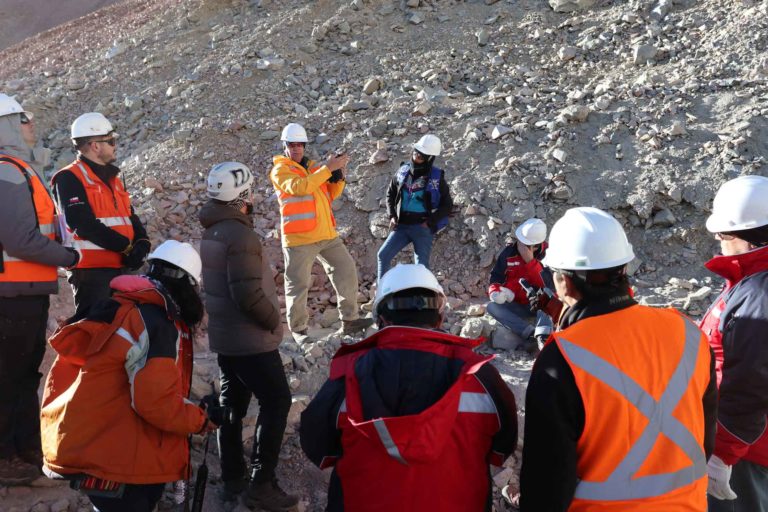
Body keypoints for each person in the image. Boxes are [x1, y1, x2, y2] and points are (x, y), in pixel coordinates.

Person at [520, 207, 717, 511]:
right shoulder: (688, 333)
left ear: (562, 282)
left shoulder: (562, 358)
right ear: (623, 269)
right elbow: (705, 442)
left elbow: (547, 484)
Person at [300, 263, 518, 511]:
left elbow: (318, 445)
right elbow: (502, 446)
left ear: (381, 318)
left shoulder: (348, 374)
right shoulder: (479, 376)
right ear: (440, 317)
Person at [40, 240, 217, 512]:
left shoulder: (119, 307)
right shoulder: (154, 322)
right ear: (188, 285)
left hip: (93, 443)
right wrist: (200, 420)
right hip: (118, 463)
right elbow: (155, 403)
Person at [199, 162, 298, 511]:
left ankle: (231, 479)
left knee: (232, 406)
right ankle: (260, 485)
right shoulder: (240, 235)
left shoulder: (212, 231)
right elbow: (247, 294)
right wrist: (273, 321)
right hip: (251, 340)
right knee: (277, 401)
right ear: (241, 195)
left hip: (226, 338)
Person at [0, 93, 79, 485]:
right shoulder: (7, 172)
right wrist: (69, 257)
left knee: (23, 373)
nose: (32, 123)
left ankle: (25, 445)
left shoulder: (19, 169)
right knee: (8, 376)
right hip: (9, 296)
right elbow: (19, 241)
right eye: (23, 118)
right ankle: (5, 456)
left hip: (24, 292)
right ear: (7, 125)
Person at [699, 175, 768, 511]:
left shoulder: (759, 293)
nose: (718, 239)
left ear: (749, 239)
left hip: (746, 451)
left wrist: (722, 454)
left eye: (724, 233)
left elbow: (751, 383)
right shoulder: (752, 281)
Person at [270, 122, 371, 342]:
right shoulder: (281, 170)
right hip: (299, 238)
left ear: (305, 146)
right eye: (291, 144)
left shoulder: (315, 167)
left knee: (346, 270)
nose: (296, 148)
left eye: (299, 144)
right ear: (284, 146)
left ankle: (350, 321)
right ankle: (299, 331)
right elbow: (299, 188)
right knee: (298, 285)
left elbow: (330, 194)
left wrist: (339, 175)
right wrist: (327, 169)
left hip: (326, 235)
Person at [51, 112, 149, 319]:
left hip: (120, 266)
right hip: (91, 272)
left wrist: (142, 241)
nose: (115, 145)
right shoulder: (69, 178)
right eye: (111, 141)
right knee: (94, 333)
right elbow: (81, 222)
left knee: (121, 334)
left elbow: (128, 214)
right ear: (95, 146)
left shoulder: (114, 177)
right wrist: (126, 246)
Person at [376, 134, 453, 279]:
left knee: (421, 266)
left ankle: (422, 299)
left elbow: (447, 205)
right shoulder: (402, 171)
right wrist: (392, 215)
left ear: (429, 158)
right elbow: (390, 194)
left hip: (422, 228)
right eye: (416, 152)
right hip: (402, 226)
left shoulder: (437, 178)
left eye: (421, 155)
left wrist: (429, 222)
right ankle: (381, 295)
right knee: (383, 255)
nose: (416, 156)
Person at [486, 218, 553, 352]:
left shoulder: (549, 254)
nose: (519, 245)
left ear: (536, 245)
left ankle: (543, 337)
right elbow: (496, 277)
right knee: (492, 307)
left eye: (524, 243)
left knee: (550, 294)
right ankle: (530, 335)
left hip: (539, 305)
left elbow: (549, 284)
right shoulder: (508, 253)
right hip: (516, 304)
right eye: (519, 241)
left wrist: (530, 261)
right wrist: (495, 291)